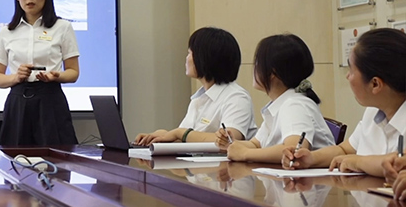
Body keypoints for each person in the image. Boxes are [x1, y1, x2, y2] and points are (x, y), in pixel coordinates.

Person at [284, 28, 406, 177]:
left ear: (375, 84)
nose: (348, 76)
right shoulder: (373, 112)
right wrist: (311, 158)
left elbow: (397, 164)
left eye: (352, 70)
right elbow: (344, 150)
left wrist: (358, 162)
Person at [0, 0, 80, 146]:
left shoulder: (62, 27)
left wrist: (57, 76)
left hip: (50, 100)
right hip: (18, 102)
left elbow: (73, 72)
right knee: (15, 156)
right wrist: (16, 77)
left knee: (57, 157)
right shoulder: (7, 31)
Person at [219, 34, 334, 163]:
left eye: (257, 63)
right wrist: (232, 144)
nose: (254, 68)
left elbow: (293, 150)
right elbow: (256, 144)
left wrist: (245, 153)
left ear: (272, 73)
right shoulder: (280, 104)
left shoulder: (294, 105)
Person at [134, 27, 256, 146]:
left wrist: (179, 133)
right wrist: (165, 135)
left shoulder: (236, 97)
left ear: (205, 58)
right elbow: (188, 139)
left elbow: (228, 140)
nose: (187, 59)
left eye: (190, 53)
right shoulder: (198, 99)